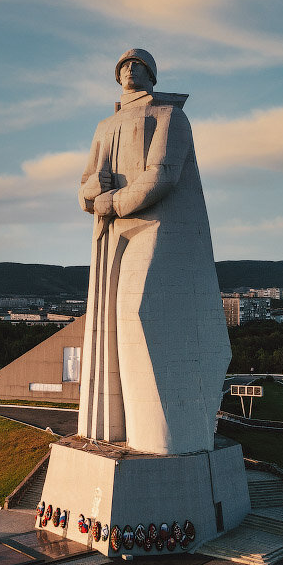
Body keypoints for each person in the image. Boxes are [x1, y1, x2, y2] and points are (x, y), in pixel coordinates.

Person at [77, 48, 230, 455]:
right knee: (110, 325)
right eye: (123, 65)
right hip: (111, 235)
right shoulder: (104, 125)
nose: (129, 69)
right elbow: (84, 185)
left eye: (138, 64)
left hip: (156, 225)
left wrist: (112, 202)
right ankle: (117, 431)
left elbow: (162, 175)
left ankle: (163, 436)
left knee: (141, 312)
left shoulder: (170, 117)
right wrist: (92, 193)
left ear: (152, 75)